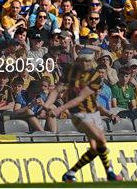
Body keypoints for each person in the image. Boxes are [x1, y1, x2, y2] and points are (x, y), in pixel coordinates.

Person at [44, 51, 122, 182]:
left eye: (88, 61)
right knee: (100, 139)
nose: (85, 64)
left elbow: (81, 97)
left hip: (93, 113)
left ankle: (70, 173)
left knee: (95, 148)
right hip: (79, 114)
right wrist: (46, 105)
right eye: (83, 61)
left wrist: (59, 109)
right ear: (78, 61)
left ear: (92, 61)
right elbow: (57, 90)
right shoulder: (70, 72)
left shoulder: (95, 76)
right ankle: (110, 173)